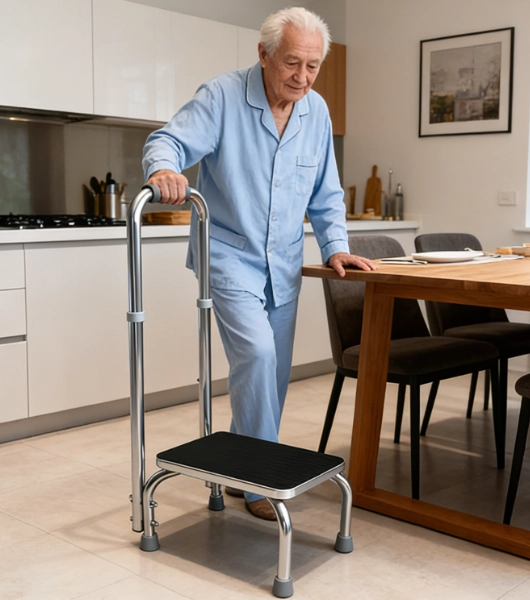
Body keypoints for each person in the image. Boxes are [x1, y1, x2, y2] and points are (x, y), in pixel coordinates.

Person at [142, 7, 377, 520]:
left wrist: (335, 245)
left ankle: (241, 463)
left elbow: (327, 192)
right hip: (228, 253)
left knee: (272, 374)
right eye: (292, 62)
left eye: (313, 66)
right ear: (264, 54)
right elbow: (168, 140)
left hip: (285, 261)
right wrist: (164, 168)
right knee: (257, 356)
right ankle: (258, 483)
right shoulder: (222, 96)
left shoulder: (315, 111)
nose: (302, 76)